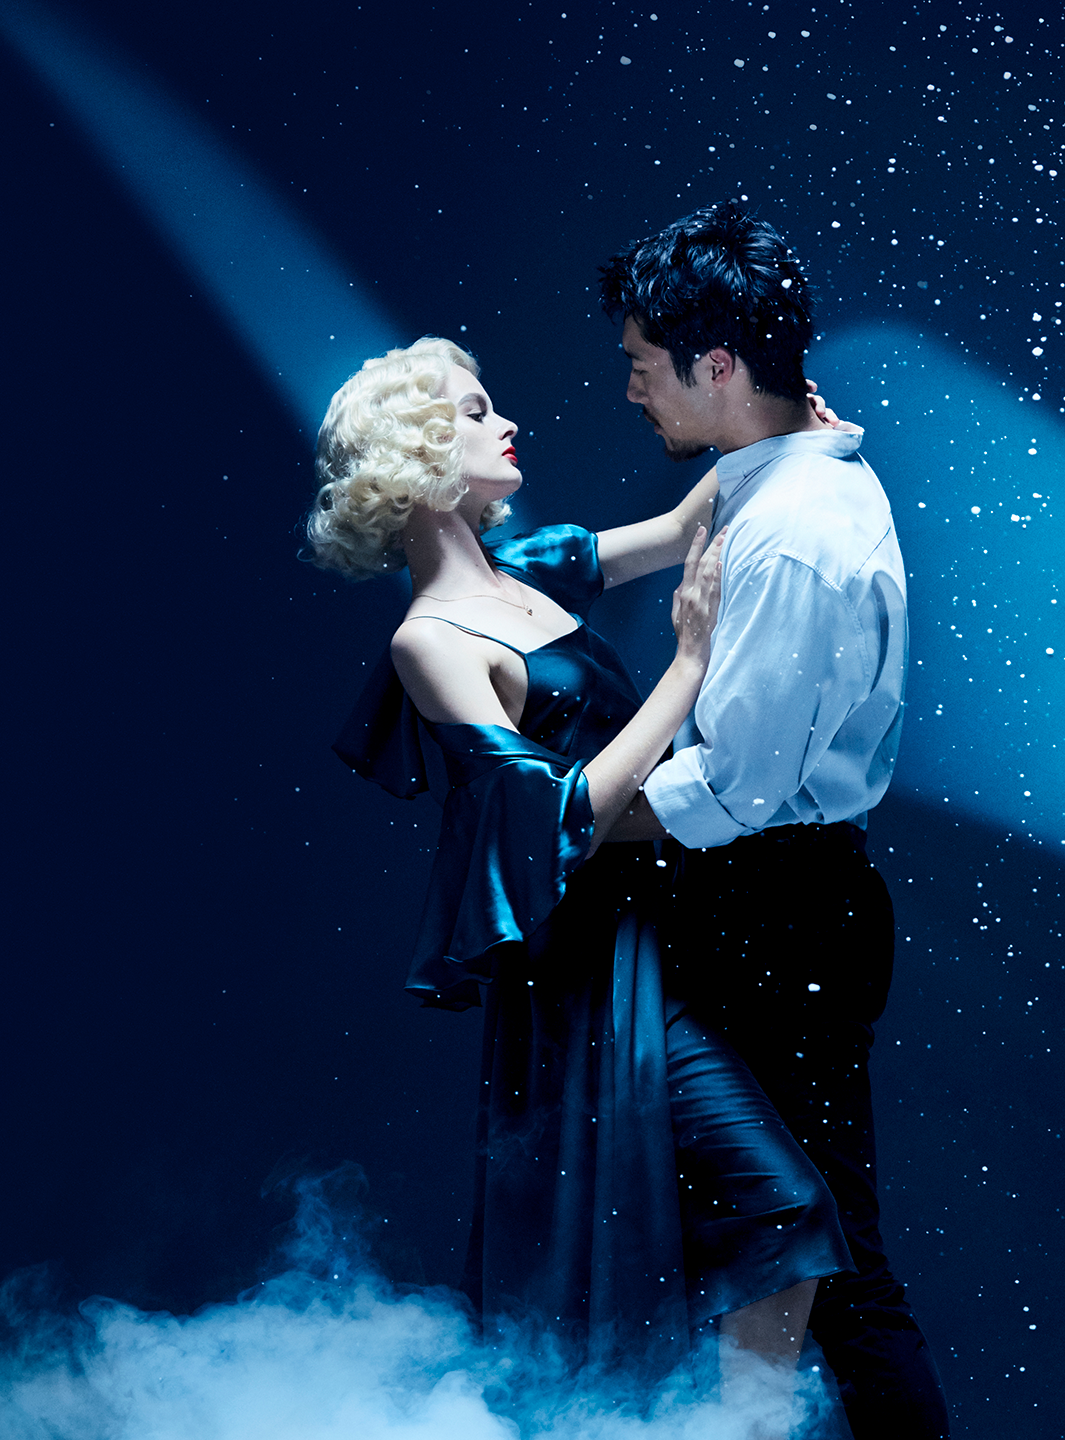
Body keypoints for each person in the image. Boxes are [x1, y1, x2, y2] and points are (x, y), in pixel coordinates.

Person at [307, 336, 851, 1420]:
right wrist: (689, 669)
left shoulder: (534, 571)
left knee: (761, 1220)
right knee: (771, 1212)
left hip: (670, 939)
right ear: (412, 460)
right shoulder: (430, 643)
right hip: (584, 983)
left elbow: (678, 528)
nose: (502, 422)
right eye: (470, 413)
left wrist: (779, 442)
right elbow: (560, 822)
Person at [599, 204, 951, 1436]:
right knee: (775, 1248)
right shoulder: (783, 467)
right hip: (783, 902)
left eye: (643, 366)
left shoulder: (792, 533)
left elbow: (731, 783)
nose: (628, 390)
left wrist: (560, 825)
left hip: (775, 908)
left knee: (831, 1262)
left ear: (715, 365)